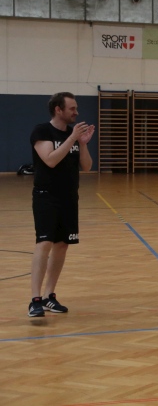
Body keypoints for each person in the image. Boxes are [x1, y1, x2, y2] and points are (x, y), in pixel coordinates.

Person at [28, 92, 94, 317]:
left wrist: (82, 144)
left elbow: (87, 167)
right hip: (46, 196)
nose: (76, 112)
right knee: (44, 242)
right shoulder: (42, 131)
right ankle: (35, 300)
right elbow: (50, 160)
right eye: (72, 108)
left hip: (69, 198)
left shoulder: (72, 136)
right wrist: (73, 138)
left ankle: (49, 295)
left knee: (62, 245)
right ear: (58, 109)